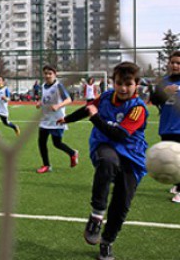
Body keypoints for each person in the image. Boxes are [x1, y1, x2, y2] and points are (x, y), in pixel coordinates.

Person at [58, 62, 148, 260]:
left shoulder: (137, 109)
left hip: (132, 155)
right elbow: (88, 108)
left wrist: (96, 118)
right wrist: (67, 119)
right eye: (119, 83)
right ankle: (97, 214)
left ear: (137, 84)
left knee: (121, 204)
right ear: (113, 83)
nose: (123, 88)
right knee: (107, 162)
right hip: (104, 145)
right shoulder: (107, 96)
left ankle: (107, 242)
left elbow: (119, 135)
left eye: (128, 84)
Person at [35, 65, 78, 174]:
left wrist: (58, 106)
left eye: (50, 73)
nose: (47, 75)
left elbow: (69, 100)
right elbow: (46, 99)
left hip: (57, 120)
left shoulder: (58, 86)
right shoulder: (43, 85)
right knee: (41, 142)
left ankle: (72, 153)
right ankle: (46, 165)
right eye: (45, 73)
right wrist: (40, 103)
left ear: (55, 74)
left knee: (57, 143)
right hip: (45, 119)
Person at [150, 50, 180, 203]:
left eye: (178, 63)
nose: (175, 65)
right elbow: (153, 100)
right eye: (172, 62)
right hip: (167, 127)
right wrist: (164, 93)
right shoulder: (164, 82)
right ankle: (177, 184)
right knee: (171, 157)